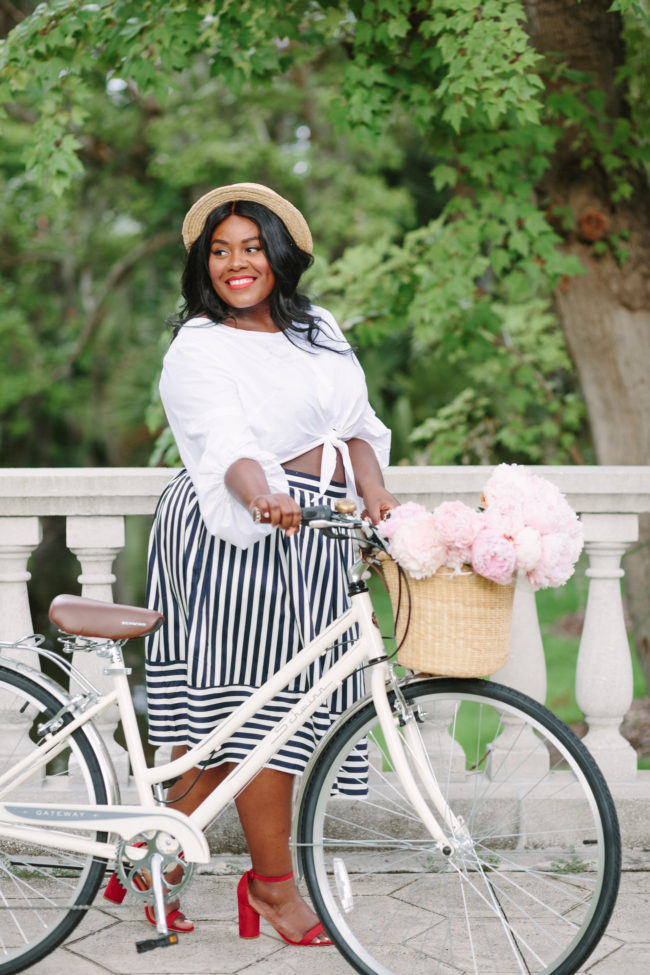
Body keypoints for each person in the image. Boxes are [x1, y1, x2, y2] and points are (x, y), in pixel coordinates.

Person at [139, 183, 398, 944]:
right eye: (219, 252)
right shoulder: (199, 346)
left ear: (280, 254)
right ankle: (276, 891)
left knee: (246, 719)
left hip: (318, 530)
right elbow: (224, 446)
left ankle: (150, 856)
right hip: (237, 535)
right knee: (246, 717)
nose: (235, 263)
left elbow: (355, 423)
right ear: (203, 266)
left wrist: (376, 491)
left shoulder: (318, 327)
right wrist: (262, 499)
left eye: (251, 247)